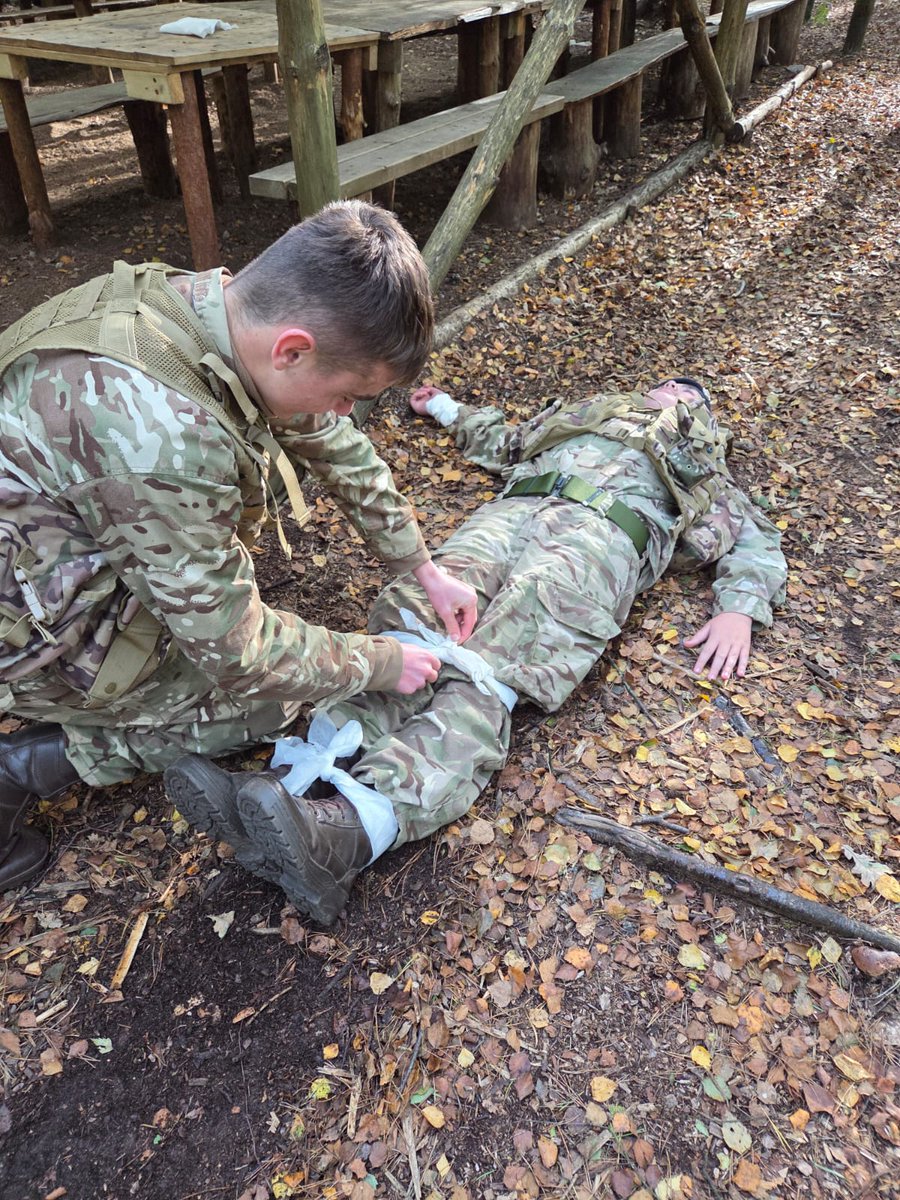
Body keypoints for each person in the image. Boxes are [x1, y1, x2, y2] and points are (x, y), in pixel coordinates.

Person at [166, 374, 789, 924]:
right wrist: (443, 409)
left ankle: (347, 833)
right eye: (670, 385)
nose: (675, 394)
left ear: (705, 418)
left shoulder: (703, 466)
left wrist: (739, 608)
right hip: (511, 511)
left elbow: (753, 540)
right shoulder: (585, 417)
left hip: (602, 539)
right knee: (412, 626)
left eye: (690, 395)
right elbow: (505, 439)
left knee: (488, 671)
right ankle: (289, 785)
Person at [0, 200, 480, 893]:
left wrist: (421, 567)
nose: (347, 412)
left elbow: (331, 441)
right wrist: (380, 663)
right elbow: (242, 655)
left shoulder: (203, 309)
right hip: (28, 638)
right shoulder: (163, 437)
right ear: (292, 349)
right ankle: (22, 768)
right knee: (268, 705)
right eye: (349, 393)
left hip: (39, 557)